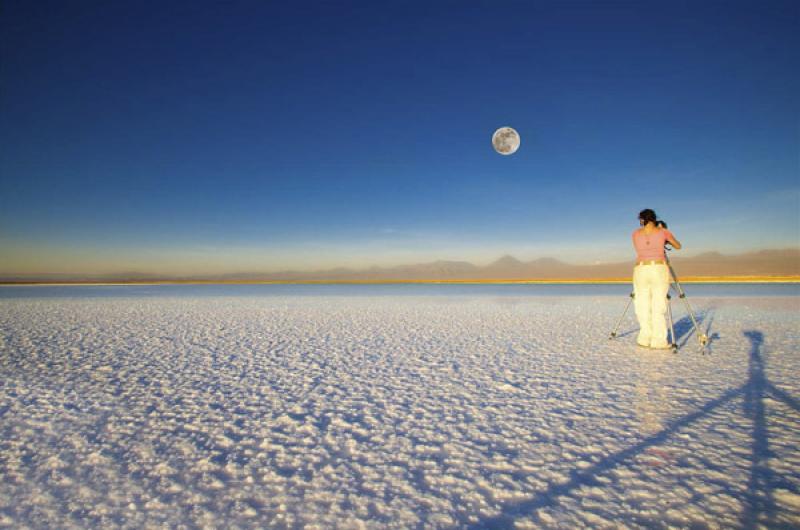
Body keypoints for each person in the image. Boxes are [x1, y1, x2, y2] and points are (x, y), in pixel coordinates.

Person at [632, 209, 681, 349]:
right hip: (658, 268)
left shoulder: (635, 234)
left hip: (640, 269)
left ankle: (644, 338)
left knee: (641, 304)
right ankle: (658, 341)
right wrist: (664, 233)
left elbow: (640, 248)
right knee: (658, 304)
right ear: (654, 218)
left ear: (642, 219)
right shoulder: (663, 232)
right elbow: (678, 246)